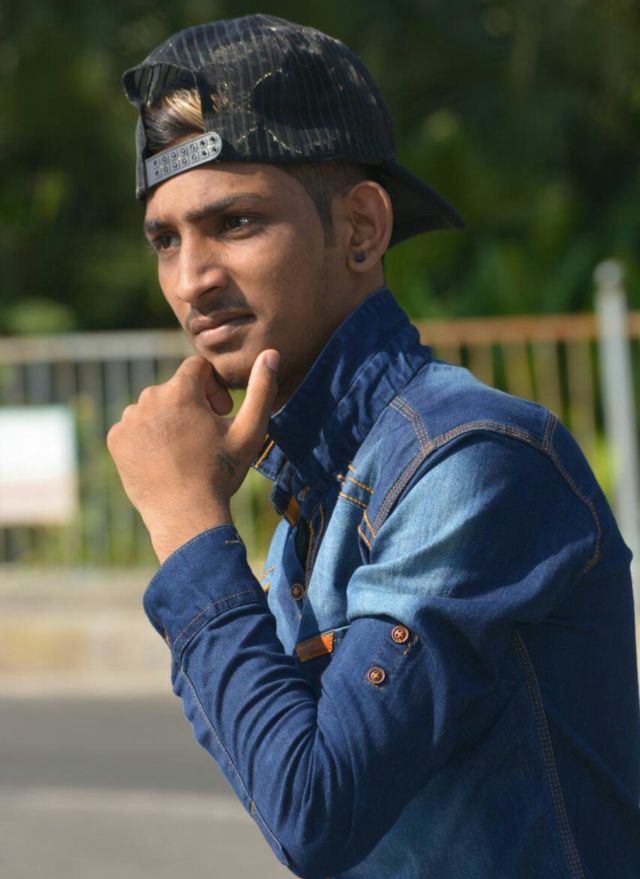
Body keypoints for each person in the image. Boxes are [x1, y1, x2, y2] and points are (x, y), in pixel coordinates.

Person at [108, 13, 640, 879]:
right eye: (165, 239)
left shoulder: (471, 461)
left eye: (235, 221)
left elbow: (315, 811)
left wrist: (186, 524)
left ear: (360, 228)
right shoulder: (317, 493)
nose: (191, 279)